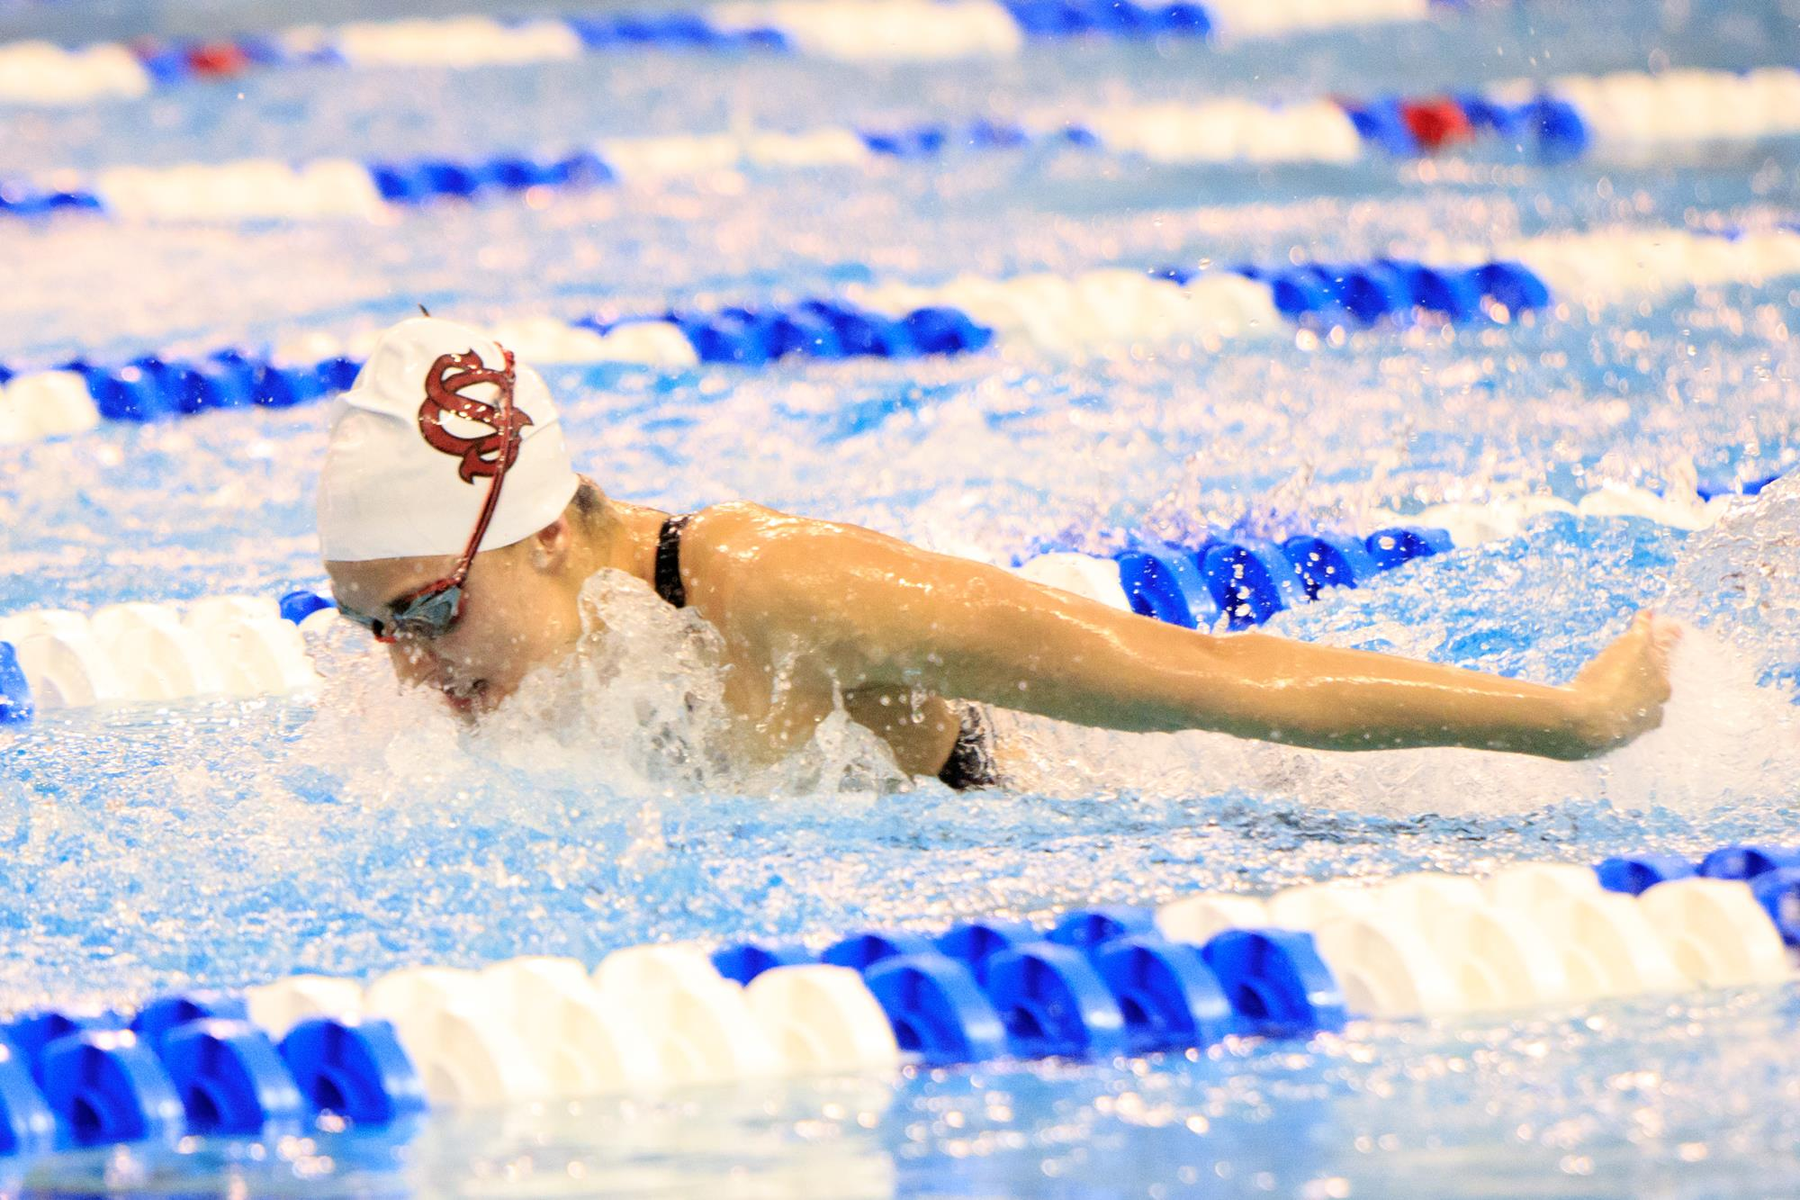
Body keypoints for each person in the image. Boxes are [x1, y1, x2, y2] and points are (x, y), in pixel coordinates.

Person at [319, 317, 1677, 788]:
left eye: (427, 611)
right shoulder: (547, 666)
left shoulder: (781, 591)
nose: (405, 670)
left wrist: (1571, 719)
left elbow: (1208, 679)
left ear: (544, 534)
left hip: (1041, 847)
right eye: (376, 628)